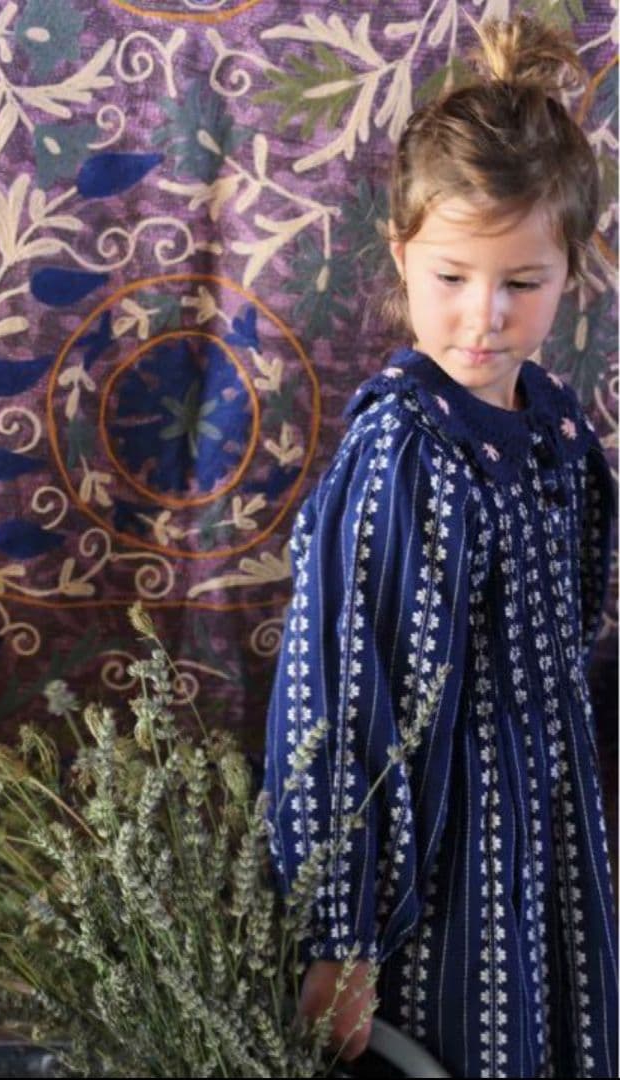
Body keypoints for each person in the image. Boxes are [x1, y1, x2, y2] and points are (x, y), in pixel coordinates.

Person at [262, 13, 617, 1079]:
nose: (483, 317)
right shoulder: (405, 454)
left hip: (541, 825)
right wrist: (341, 936)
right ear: (402, 255)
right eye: (452, 277)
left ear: (572, 272)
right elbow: (339, 702)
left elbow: (575, 622)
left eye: (522, 283)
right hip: (438, 862)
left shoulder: (551, 426)